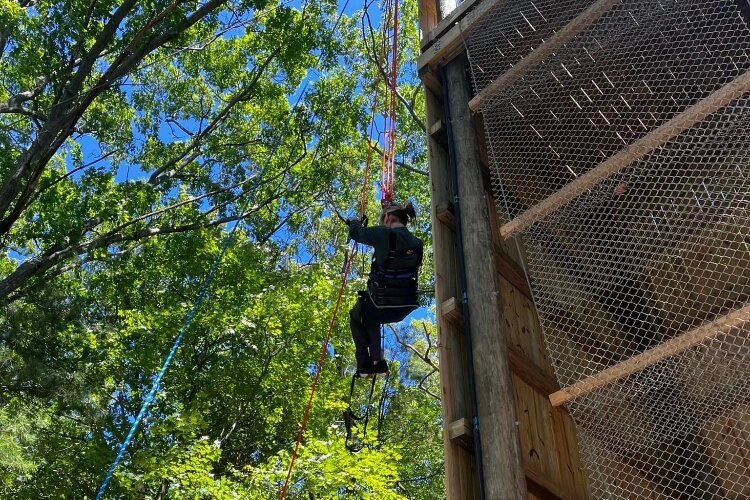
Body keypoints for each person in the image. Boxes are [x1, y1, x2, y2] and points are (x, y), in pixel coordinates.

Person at [346, 202, 423, 377]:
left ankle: (364, 366)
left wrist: (353, 221)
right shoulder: (418, 244)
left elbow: (356, 233)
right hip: (404, 305)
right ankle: (378, 363)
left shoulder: (384, 234)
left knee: (356, 316)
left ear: (387, 218)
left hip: (381, 300)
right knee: (370, 316)